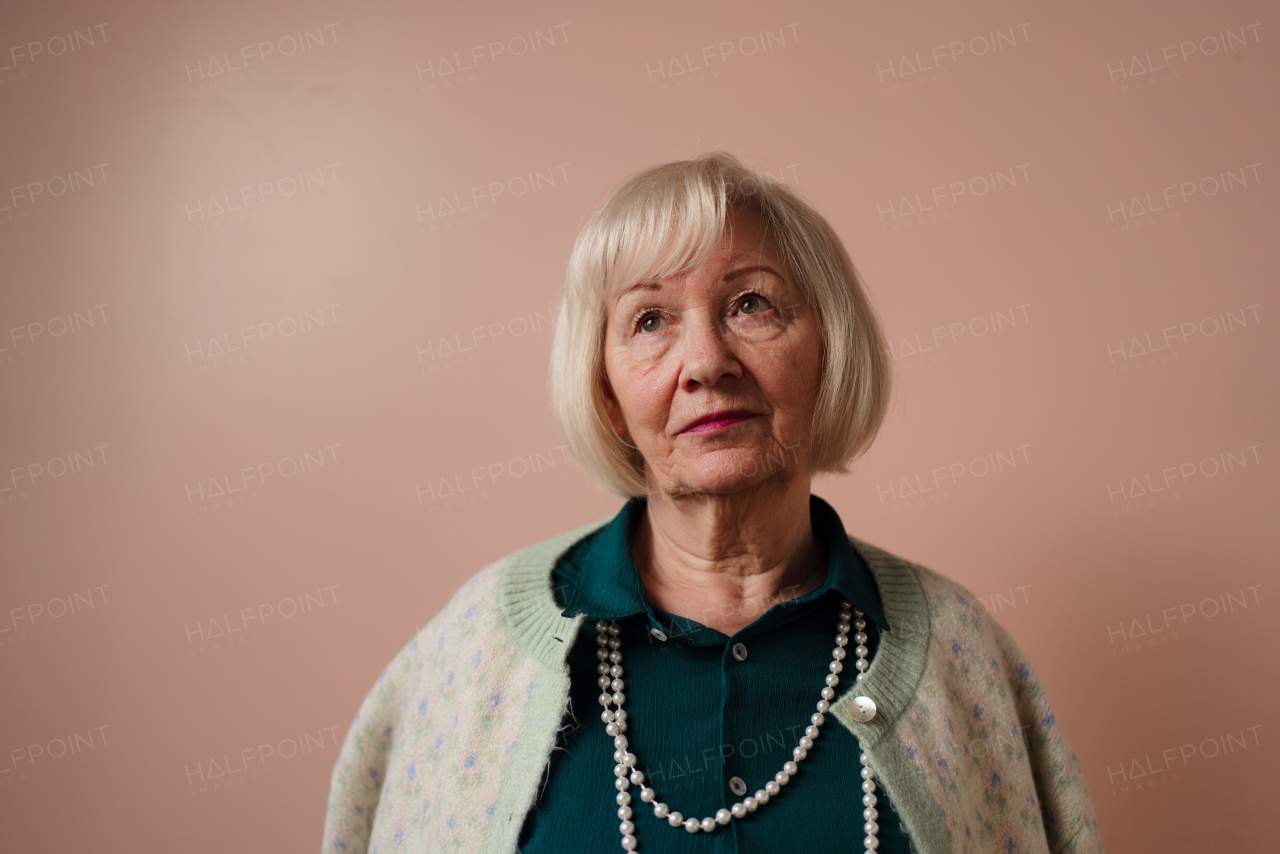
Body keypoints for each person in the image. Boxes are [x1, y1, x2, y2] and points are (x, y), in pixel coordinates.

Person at [321, 152, 1103, 853]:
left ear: (827, 347)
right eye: (650, 320)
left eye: (750, 305)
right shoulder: (475, 649)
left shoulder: (955, 652)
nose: (706, 362)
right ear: (604, 387)